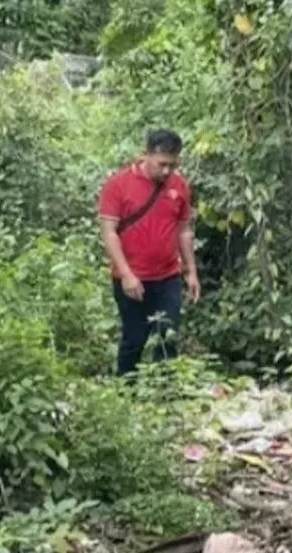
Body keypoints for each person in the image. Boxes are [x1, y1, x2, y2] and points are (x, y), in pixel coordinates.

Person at [97, 129, 201, 376]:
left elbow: (183, 230)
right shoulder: (118, 185)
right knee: (134, 338)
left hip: (168, 276)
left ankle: (165, 396)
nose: (167, 171)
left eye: (172, 165)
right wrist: (126, 274)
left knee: (168, 337)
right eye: (162, 164)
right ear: (146, 155)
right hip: (133, 277)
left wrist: (191, 272)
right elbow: (109, 232)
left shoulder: (179, 186)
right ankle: (125, 393)